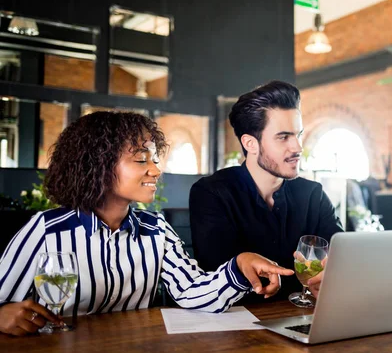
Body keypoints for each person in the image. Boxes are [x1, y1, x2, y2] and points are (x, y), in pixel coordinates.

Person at [0, 111, 292, 337]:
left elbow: (192, 291)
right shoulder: (47, 231)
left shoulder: (156, 230)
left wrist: (239, 267)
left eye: (154, 159)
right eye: (141, 160)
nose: (155, 170)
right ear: (98, 167)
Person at [189, 80, 343, 301]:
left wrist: (335, 270)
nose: (298, 147)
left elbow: (342, 256)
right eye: (283, 137)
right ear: (251, 143)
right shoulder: (211, 193)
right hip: (234, 323)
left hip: (304, 318)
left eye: (298, 135)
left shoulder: (313, 194)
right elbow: (215, 272)